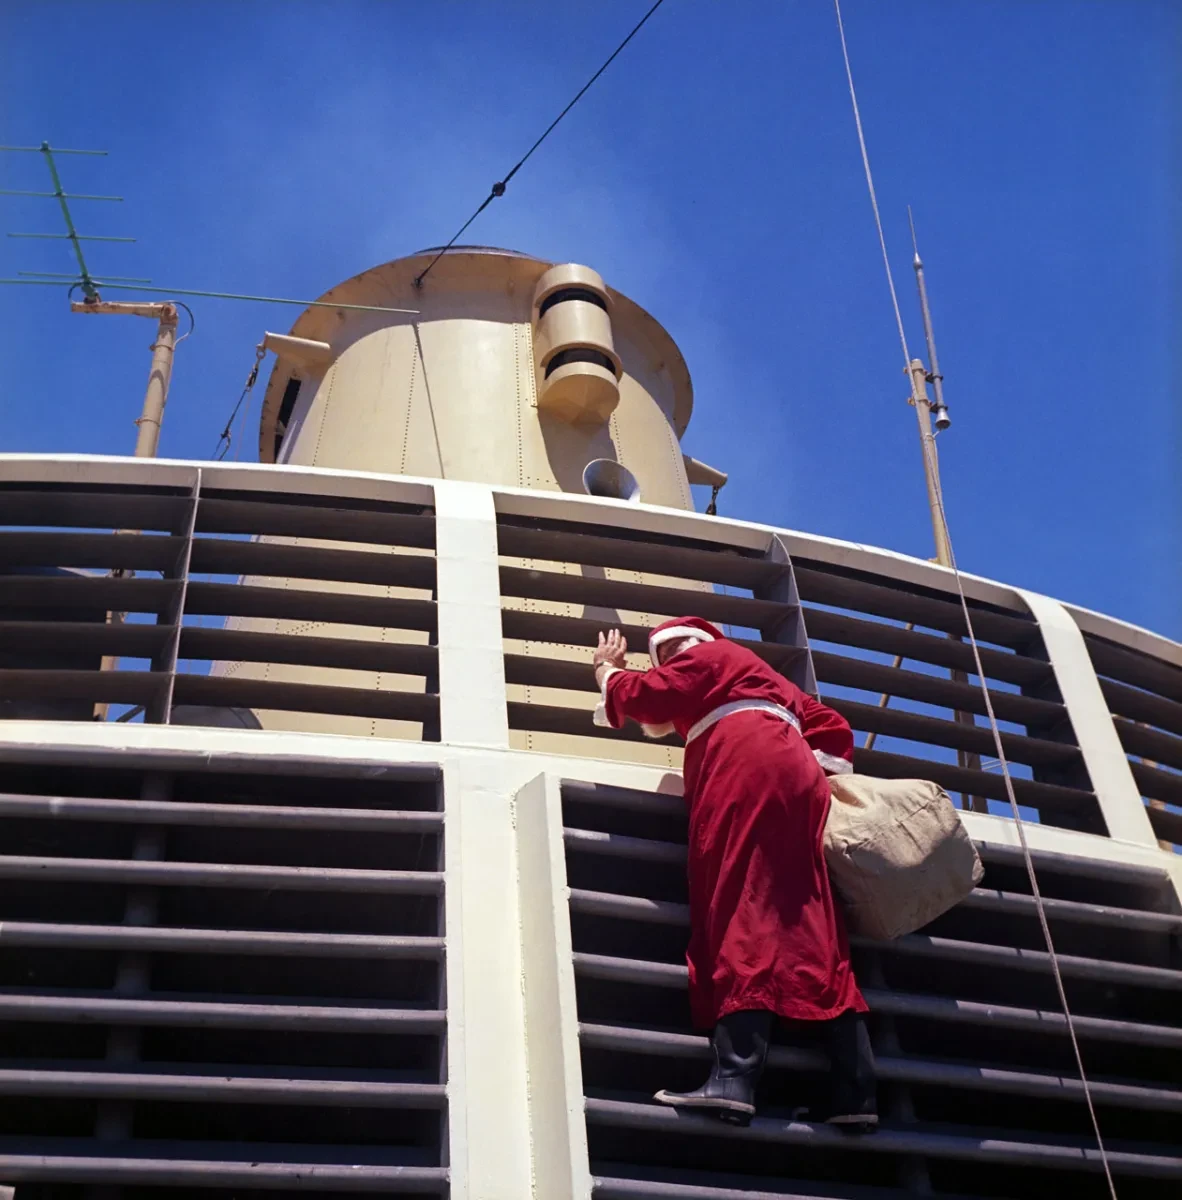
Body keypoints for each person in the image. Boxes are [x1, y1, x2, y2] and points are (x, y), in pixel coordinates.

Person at [592, 616, 876, 1131]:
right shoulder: (763, 676)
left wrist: (609, 672)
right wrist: (807, 771)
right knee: (813, 921)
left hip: (742, 768)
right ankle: (854, 1093)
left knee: (738, 908)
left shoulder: (706, 657)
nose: (669, 661)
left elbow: (649, 696)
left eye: (668, 654)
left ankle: (734, 1080)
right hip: (795, 778)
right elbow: (830, 724)